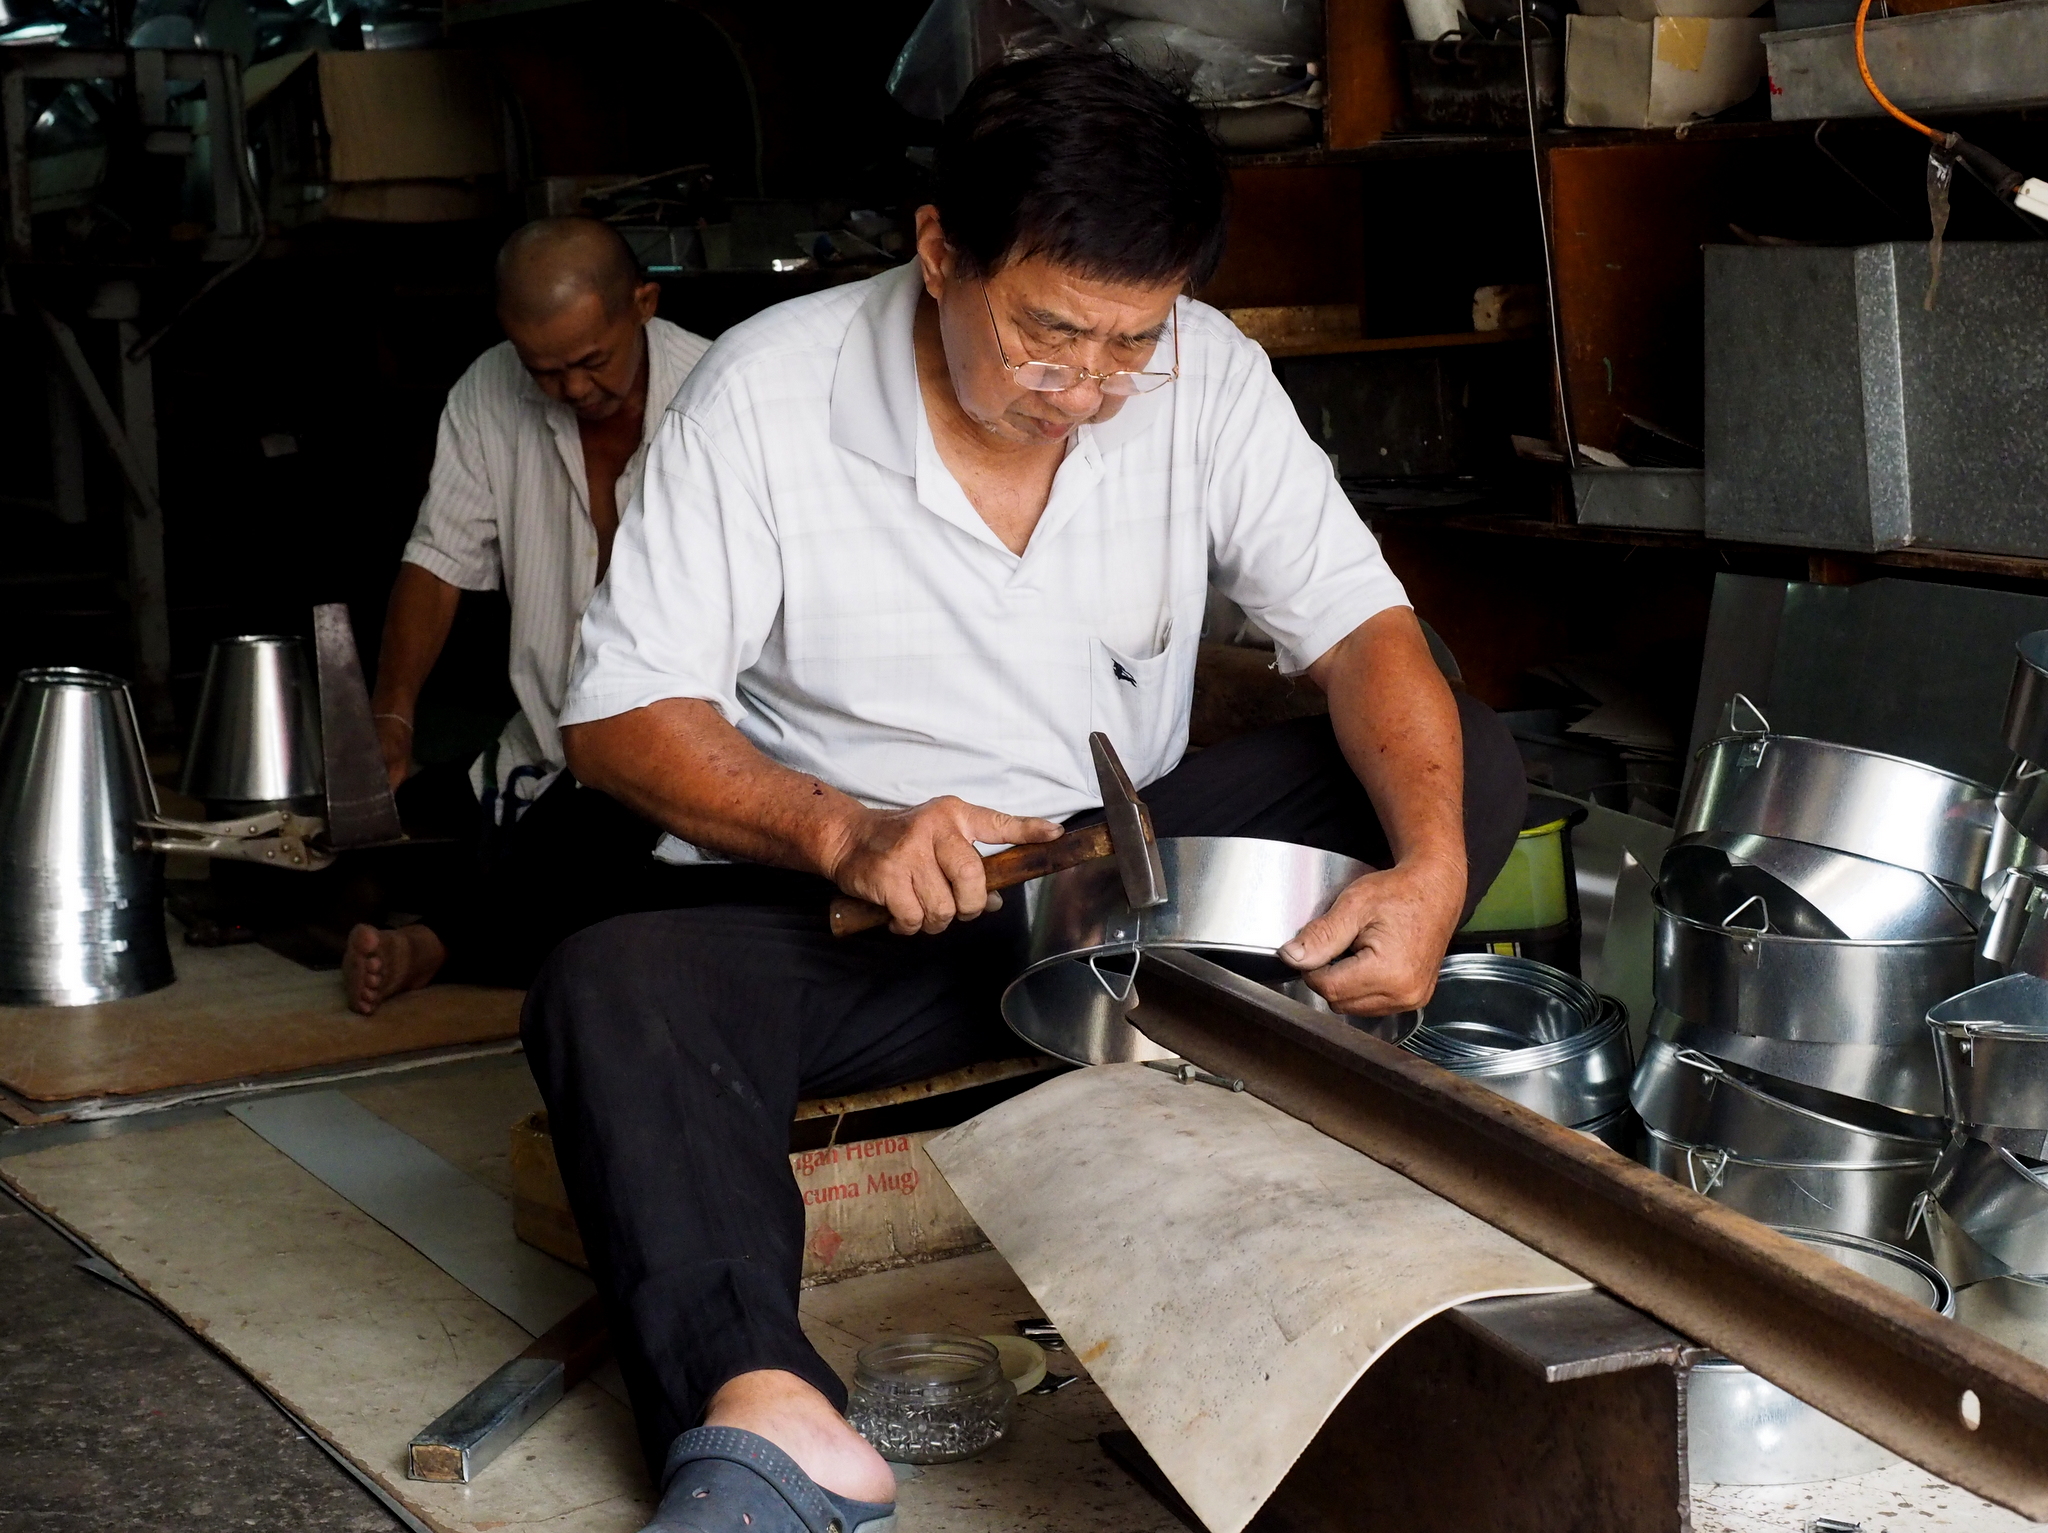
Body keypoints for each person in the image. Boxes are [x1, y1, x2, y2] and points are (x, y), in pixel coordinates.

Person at [524, 51, 1527, 1533]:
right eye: (1052, 335)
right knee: (614, 982)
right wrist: (841, 828)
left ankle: (1239, 1025)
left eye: (1135, 343)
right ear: (940, 251)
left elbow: (1365, 633)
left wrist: (1434, 863)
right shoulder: (768, 393)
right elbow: (620, 717)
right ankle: (767, 1413)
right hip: (866, 919)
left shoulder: (1207, 377)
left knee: (1466, 765)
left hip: (1115, 899)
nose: (1095, 390)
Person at [344, 217, 711, 1015]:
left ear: (643, 303)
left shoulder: (720, 393)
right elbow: (438, 561)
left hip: (676, 755)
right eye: (543, 370)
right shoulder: (486, 389)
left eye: (591, 362)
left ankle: (437, 943)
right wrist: (393, 718)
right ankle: (480, 912)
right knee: (385, 823)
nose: (573, 390)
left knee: (614, 842)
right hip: (539, 746)